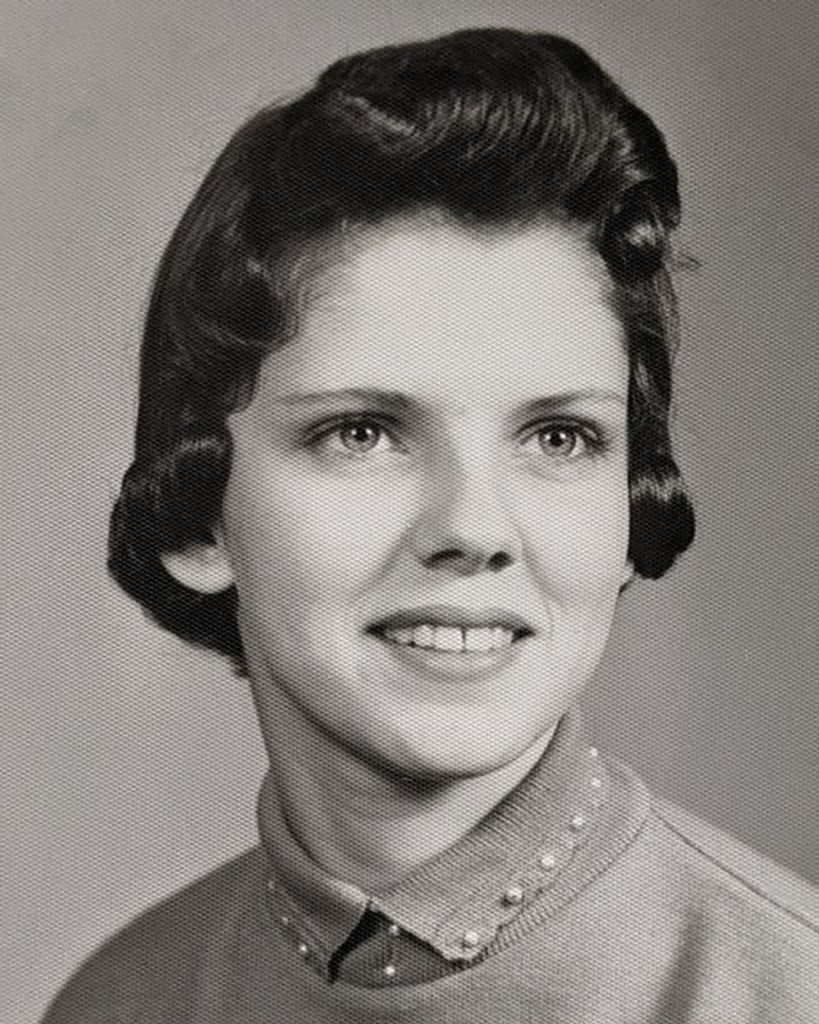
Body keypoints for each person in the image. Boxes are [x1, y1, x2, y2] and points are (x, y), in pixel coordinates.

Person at [42, 26, 818, 1024]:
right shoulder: (118, 1002)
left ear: (629, 507)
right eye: (361, 432)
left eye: (560, 436)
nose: (474, 526)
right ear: (199, 521)